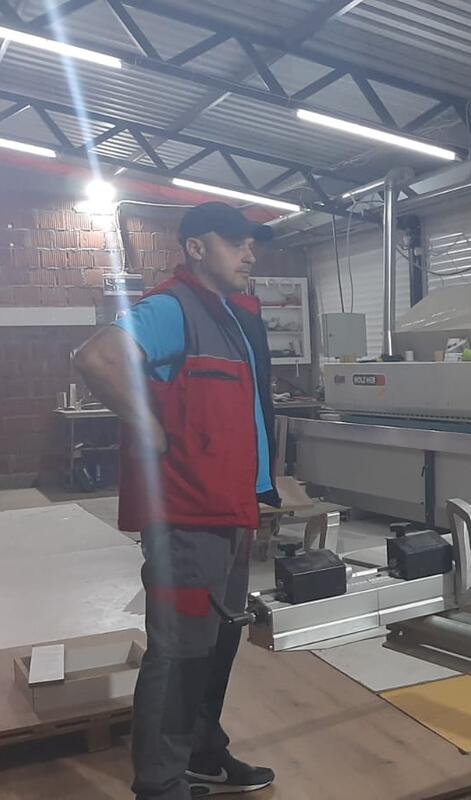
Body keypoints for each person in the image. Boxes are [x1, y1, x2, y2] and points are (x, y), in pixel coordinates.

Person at [74, 202, 280, 800]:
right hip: (189, 515)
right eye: (236, 242)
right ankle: (161, 784)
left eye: (252, 243)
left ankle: (202, 755)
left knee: (218, 643)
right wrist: (152, 430)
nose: (250, 254)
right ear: (195, 248)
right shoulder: (173, 309)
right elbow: (97, 357)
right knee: (181, 651)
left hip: (232, 507)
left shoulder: (231, 315)